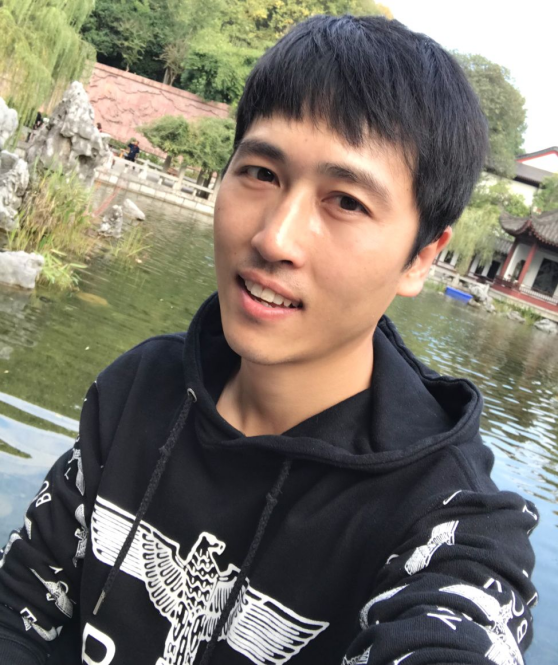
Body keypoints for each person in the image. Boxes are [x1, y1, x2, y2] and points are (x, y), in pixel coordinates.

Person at [0, 15, 538, 665]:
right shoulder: (140, 387)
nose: (274, 238)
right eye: (260, 172)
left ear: (422, 256)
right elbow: (20, 609)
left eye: (346, 202)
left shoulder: (446, 520)